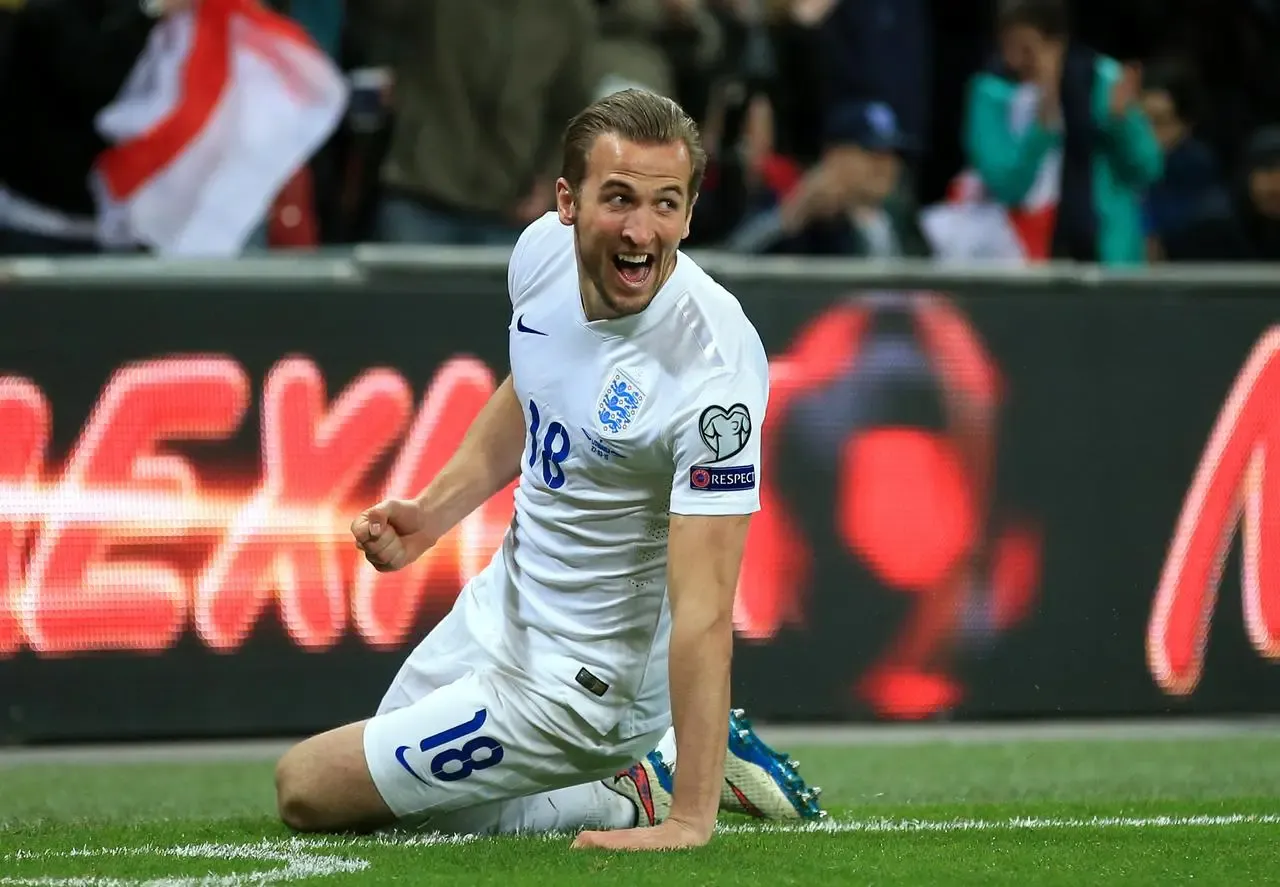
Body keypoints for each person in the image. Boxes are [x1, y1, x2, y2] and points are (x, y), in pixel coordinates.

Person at [273, 88, 825, 851]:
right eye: (619, 199)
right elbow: (537, 383)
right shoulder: (539, 255)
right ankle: (637, 770)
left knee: (307, 786)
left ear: (691, 215)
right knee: (417, 818)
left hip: (584, 687)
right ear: (568, 201)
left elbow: (703, 612)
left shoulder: (713, 375)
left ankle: (647, 780)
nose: (641, 231)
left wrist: (689, 823)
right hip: (499, 609)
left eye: (667, 204)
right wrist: (434, 511)